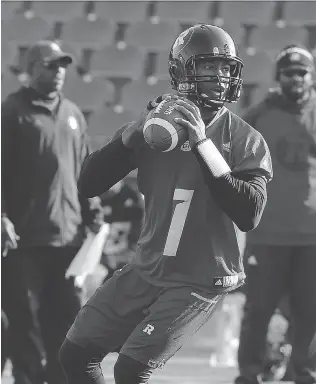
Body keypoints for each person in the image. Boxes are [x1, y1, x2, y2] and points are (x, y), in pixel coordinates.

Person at [58, 24, 273, 384]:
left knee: (131, 370)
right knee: (76, 355)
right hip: (147, 267)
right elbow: (89, 184)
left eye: (226, 68)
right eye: (208, 66)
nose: (219, 77)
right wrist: (127, 138)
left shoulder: (244, 138)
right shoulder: (158, 127)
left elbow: (249, 213)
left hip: (201, 277)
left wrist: (204, 145)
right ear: (183, 71)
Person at [1, 40, 104, 384]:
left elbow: (83, 169)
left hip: (68, 239)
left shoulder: (73, 114)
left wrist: (92, 211)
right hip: (23, 242)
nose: (58, 72)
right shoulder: (11, 112)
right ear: (31, 69)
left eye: (62, 65)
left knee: (65, 324)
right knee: (24, 326)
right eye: (49, 65)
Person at [235, 44, 316, 384]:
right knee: (257, 311)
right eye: (289, 72)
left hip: (314, 234)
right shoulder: (258, 115)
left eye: (302, 72)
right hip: (267, 233)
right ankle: (250, 374)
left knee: (310, 313)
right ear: (278, 77)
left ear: (312, 76)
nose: (296, 78)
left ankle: (305, 375)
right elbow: (235, 161)